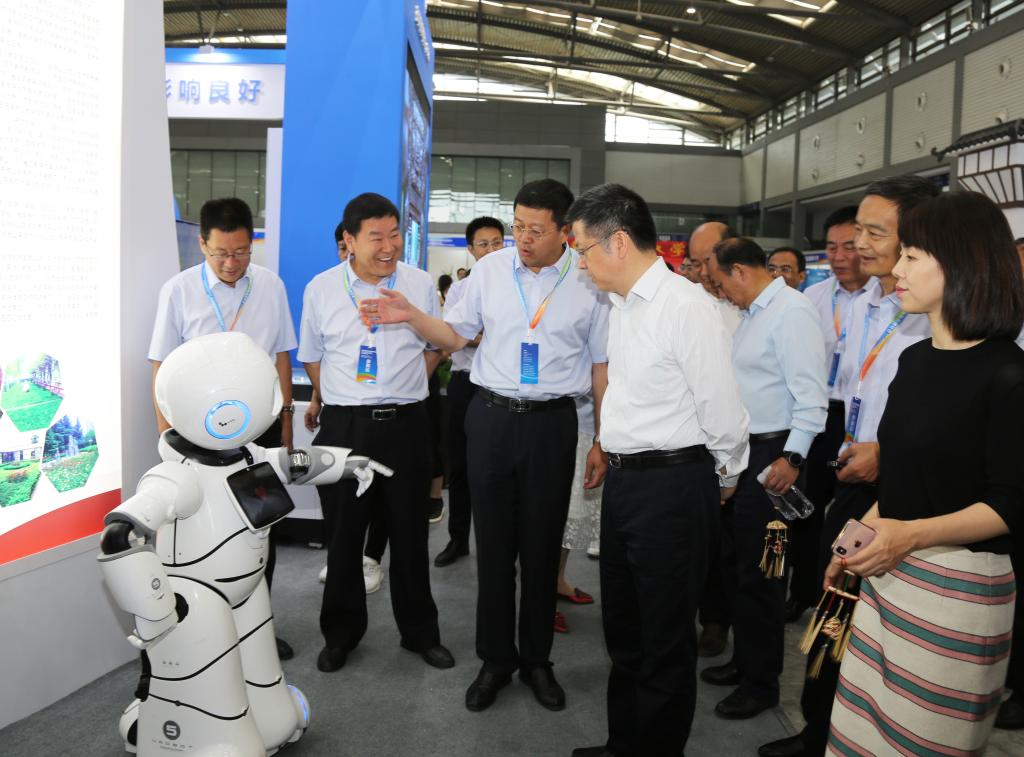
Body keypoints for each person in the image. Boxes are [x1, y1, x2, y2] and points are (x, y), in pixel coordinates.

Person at [360, 179, 610, 713]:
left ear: (565, 231)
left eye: (535, 230)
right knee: (493, 549)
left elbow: (600, 366)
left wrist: (602, 439)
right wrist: (412, 316)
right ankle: (495, 661)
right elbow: (454, 336)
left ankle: (537, 660)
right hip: (492, 418)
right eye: (517, 226)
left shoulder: (588, 280)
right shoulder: (491, 271)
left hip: (552, 424)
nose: (523, 238)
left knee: (541, 548)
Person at [823, 190, 1024, 755]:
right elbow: (904, 476)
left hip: (957, 593)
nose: (897, 269)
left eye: (912, 256)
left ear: (962, 263)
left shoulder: (1008, 374)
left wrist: (909, 535)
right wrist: (861, 535)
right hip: (888, 579)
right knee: (860, 736)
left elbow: (1010, 503)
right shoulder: (915, 359)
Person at [565, 184, 750, 757]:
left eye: (582, 249)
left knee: (665, 639)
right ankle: (625, 743)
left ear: (618, 242)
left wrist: (723, 479)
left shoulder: (684, 306)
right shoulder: (621, 306)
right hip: (626, 484)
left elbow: (722, 407)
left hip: (672, 485)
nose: (580, 263)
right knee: (625, 631)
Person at [759, 174, 938, 757]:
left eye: (873, 232)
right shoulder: (865, 304)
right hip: (855, 470)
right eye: (857, 229)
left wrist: (886, 453)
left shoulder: (937, 312)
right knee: (834, 601)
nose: (858, 243)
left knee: (878, 625)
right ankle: (819, 727)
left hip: (907, 487)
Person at [297, 192, 453, 674]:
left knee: (410, 535)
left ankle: (420, 632)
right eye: (376, 238)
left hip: (407, 424)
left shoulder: (418, 284)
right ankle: (340, 635)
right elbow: (312, 356)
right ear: (349, 240)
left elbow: (438, 345)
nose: (389, 247)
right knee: (344, 536)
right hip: (345, 426)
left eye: (395, 235)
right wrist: (341, 396)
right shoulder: (322, 288)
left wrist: (407, 384)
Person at [148, 196, 298, 661]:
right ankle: (207, 630)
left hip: (258, 432)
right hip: (196, 438)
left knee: (259, 527)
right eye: (221, 254)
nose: (232, 263)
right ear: (202, 244)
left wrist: (285, 420)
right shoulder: (178, 290)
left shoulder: (270, 286)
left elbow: (280, 356)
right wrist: (168, 439)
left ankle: (258, 629)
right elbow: (160, 366)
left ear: (253, 244)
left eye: (241, 252)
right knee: (201, 531)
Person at [702, 237, 827, 719]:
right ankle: (745, 661)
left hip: (775, 456)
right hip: (746, 450)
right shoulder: (754, 313)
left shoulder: (791, 312)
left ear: (739, 271)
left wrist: (792, 459)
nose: (721, 292)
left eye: (720, 282)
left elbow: (811, 398)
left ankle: (762, 683)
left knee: (766, 573)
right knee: (740, 567)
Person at [785, 208, 872, 624]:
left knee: (854, 514)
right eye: (832, 247)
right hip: (821, 418)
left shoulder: (888, 300)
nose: (838, 256)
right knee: (807, 507)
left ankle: (845, 601)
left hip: (863, 423)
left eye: (848, 247)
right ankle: (802, 591)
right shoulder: (813, 299)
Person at [435, 216, 506, 568]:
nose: (491, 250)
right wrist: (486, 335)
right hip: (466, 383)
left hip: (501, 388)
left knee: (499, 469)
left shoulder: (516, 286)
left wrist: (479, 335)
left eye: (497, 242)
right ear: (470, 249)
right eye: (483, 244)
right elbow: (453, 336)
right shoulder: (460, 290)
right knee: (460, 466)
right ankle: (458, 539)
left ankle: (501, 546)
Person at [686, 220, 742, 660]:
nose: (703, 271)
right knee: (696, 540)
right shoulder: (686, 304)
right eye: (696, 261)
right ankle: (698, 616)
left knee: (733, 542)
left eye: (709, 260)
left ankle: (721, 619)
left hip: (744, 441)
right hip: (694, 443)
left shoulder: (750, 304)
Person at [554, 391, 601, 635]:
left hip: (597, 428)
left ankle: (557, 581)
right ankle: (540, 598)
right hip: (567, 424)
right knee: (555, 518)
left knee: (571, 516)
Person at [689, 221, 742, 336]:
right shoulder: (685, 300)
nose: (704, 272)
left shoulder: (753, 302)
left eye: (709, 261)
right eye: (696, 264)